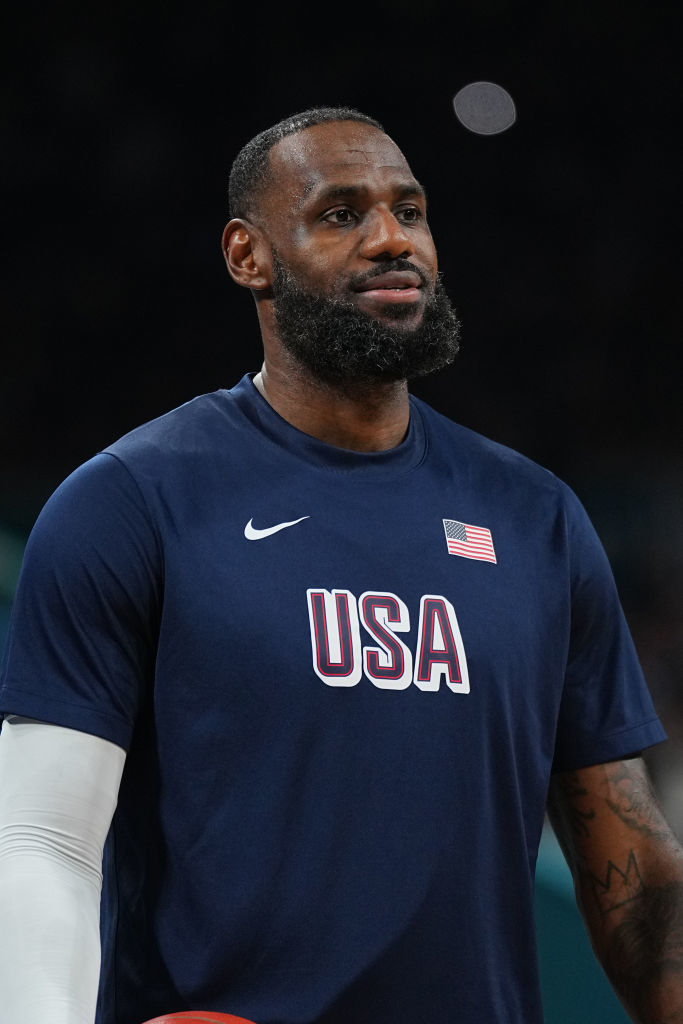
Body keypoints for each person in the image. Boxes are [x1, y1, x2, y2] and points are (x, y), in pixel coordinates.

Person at [0, 106, 682, 1024]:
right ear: (249, 256)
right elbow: (45, 841)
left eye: (410, 210)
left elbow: (634, 888)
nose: (391, 238)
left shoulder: (536, 518)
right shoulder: (129, 502)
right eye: (340, 214)